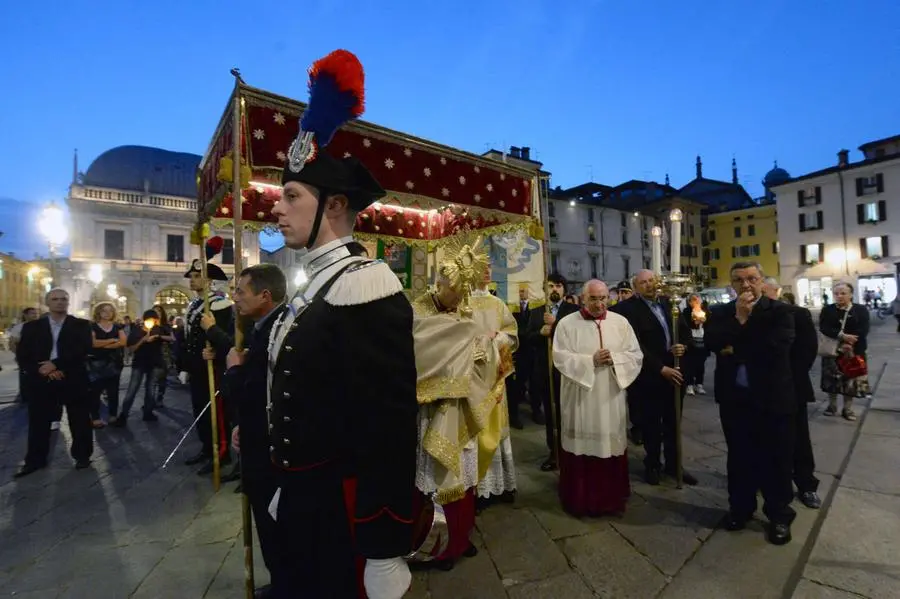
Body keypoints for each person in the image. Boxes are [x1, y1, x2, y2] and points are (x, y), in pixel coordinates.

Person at [266, 49, 418, 599]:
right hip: (308, 496)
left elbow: (388, 427)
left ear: (333, 207)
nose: (276, 209)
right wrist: (290, 480)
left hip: (343, 509)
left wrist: (383, 545)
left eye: (290, 196)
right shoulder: (319, 287)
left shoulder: (366, 285)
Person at [411, 239, 506, 567]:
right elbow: (424, 356)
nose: (460, 301)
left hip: (463, 407)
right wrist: (467, 352)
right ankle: (434, 545)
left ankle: (459, 537)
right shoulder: (419, 311)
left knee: (463, 481)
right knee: (435, 480)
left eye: (463, 293)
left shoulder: (464, 309)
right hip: (432, 408)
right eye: (454, 292)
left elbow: (480, 351)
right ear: (439, 284)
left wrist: (484, 351)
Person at [705, 262, 797, 545]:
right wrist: (739, 321)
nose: (746, 285)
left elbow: (775, 348)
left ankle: (779, 515)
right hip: (735, 399)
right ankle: (740, 509)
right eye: (739, 280)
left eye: (752, 278)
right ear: (731, 284)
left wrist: (736, 341)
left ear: (761, 281)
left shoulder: (779, 311)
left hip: (771, 398)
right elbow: (712, 342)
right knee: (739, 457)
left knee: (776, 459)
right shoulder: (720, 312)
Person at [224, 264, 288, 599]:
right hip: (257, 436)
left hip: (270, 450)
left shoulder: (278, 329)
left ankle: (284, 585)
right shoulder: (262, 327)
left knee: (272, 523)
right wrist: (242, 425)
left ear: (265, 295)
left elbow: (257, 392)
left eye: (240, 292)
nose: (234, 298)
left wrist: (234, 370)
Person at [553, 280, 643, 516]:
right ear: (583, 298)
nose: (599, 303)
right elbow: (560, 357)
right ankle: (580, 499)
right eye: (593, 298)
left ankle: (611, 499)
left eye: (603, 298)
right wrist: (590, 361)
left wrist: (615, 359)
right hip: (581, 397)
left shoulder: (621, 323)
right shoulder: (566, 324)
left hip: (610, 396)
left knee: (609, 443)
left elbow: (635, 355)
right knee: (582, 445)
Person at [611, 270, 696, 486]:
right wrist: (660, 368)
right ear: (635, 287)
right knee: (651, 424)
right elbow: (634, 345)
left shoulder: (670, 302)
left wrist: (683, 346)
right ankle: (653, 465)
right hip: (649, 376)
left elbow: (684, 331)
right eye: (643, 282)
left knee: (673, 422)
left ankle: (674, 465)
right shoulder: (627, 309)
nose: (649, 285)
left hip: (675, 373)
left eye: (652, 281)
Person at [14, 289, 93, 478]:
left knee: (79, 419)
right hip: (42, 379)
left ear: (68, 302)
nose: (59, 302)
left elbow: (82, 350)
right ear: (47, 303)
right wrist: (40, 369)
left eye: (63, 299)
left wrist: (56, 365)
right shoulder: (32, 327)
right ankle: (35, 460)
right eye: (55, 299)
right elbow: (23, 355)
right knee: (38, 421)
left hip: (72, 377)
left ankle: (82, 456)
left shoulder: (81, 325)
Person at [762, 277, 821, 510]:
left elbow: (807, 351)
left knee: (799, 439)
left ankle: (806, 484)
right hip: (762, 390)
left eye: (765, 291)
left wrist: (786, 377)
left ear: (776, 291)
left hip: (792, 386)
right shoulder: (754, 316)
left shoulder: (798, 314)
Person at [179, 257, 235, 474]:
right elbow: (188, 340)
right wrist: (184, 366)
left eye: (197, 276)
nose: (192, 281)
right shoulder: (194, 305)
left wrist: (216, 354)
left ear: (209, 280)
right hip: (197, 368)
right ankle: (206, 447)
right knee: (199, 411)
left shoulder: (219, 304)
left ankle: (221, 452)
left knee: (216, 413)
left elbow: (225, 337)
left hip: (213, 368)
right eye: (191, 277)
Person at [471, 268, 519, 509]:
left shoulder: (497, 303)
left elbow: (511, 334)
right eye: (482, 266)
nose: (487, 271)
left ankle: (501, 485)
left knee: (497, 427)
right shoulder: (461, 302)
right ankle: (478, 485)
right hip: (471, 375)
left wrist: (497, 337)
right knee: (476, 428)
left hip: (495, 374)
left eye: (489, 266)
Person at [526, 273, 579, 471]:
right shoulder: (537, 311)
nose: (554, 289)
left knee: (569, 413)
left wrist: (555, 325)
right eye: (550, 285)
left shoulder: (573, 311)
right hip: (545, 370)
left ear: (564, 289)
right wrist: (541, 331)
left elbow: (577, 336)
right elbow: (527, 336)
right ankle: (554, 452)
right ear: (545, 289)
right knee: (551, 414)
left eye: (558, 285)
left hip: (568, 371)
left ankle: (571, 451)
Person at [819, 282, 869, 421]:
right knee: (832, 380)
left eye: (843, 293)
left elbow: (863, 329)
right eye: (836, 293)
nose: (839, 296)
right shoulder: (828, 310)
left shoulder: (860, 310)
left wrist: (850, 344)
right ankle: (832, 405)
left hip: (854, 350)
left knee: (851, 381)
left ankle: (847, 409)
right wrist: (842, 337)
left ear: (851, 294)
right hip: (833, 350)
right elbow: (824, 327)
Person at [114, 309, 167, 425]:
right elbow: (131, 349)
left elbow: (171, 338)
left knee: (150, 389)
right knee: (132, 389)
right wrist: (143, 340)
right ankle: (123, 415)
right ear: (144, 320)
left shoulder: (158, 330)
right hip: (139, 364)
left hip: (154, 364)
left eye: (154, 320)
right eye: (149, 320)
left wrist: (160, 336)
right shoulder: (136, 331)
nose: (152, 322)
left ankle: (148, 412)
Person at [87, 301, 126, 427]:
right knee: (95, 392)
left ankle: (113, 416)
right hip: (95, 364)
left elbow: (123, 342)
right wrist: (111, 341)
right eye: (104, 310)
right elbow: (93, 343)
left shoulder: (117, 326)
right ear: (98, 312)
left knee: (113, 391)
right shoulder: (92, 326)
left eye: (110, 310)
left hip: (114, 364)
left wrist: (103, 345)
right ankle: (95, 418)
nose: (107, 313)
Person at [506, 282, 534, 429]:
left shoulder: (535, 307)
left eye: (524, 290)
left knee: (533, 384)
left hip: (531, 352)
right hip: (515, 353)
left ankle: (535, 410)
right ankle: (514, 415)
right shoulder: (510, 308)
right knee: (514, 387)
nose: (521, 293)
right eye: (519, 291)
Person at [679, 294, 709, 396]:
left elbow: (709, 324)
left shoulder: (705, 310)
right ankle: (689, 384)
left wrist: (703, 321)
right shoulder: (686, 312)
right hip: (691, 339)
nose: (695, 302)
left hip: (702, 339)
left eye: (697, 300)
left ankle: (699, 384)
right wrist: (694, 321)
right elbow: (685, 325)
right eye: (693, 300)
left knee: (700, 364)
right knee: (689, 364)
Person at [9, 307, 39, 403]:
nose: (35, 315)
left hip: (39, 357)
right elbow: (12, 343)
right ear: (25, 315)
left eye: (36, 313)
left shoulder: (42, 326)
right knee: (25, 377)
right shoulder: (19, 327)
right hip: (25, 357)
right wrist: (18, 355)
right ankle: (25, 397)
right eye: (32, 313)